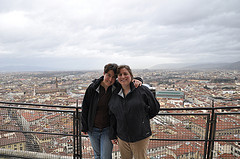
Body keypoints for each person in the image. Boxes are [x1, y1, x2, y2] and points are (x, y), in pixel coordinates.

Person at [81, 63, 142, 159]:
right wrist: (84, 127)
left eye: (114, 77)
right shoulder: (93, 88)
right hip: (92, 128)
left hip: (107, 128)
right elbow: (85, 107)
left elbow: (129, 82)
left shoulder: (116, 88)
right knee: (97, 155)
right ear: (103, 74)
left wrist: (139, 80)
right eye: (108, 75)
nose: (110, 79)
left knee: (105, 156)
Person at [109, 65, 160, 159]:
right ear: (117, 78)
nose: (123, 76)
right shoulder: (115, 94)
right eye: (120, 74)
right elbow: (113, 115)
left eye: (125, 74)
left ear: (131, 76)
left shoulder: (141, 90)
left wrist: (142, 118)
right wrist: (113, 134)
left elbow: (155, 107)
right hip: (122, 137)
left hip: (140, 136)